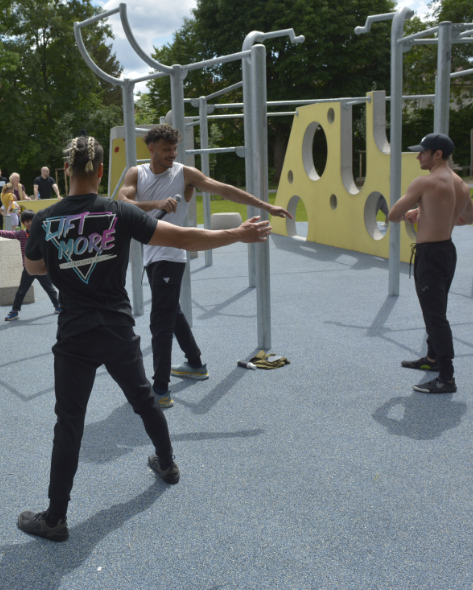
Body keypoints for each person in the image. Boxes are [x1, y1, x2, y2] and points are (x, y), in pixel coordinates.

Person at [16, 135, 273, 541]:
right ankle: (167, 464)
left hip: (75, 336)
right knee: (144, 400)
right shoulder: (119, 212)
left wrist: (64, 256)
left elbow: (33, 268)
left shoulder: (45, 220)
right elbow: (182, 237)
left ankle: (55, 518)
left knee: (69, 423)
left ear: (66, 170)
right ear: (102, 170)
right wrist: (237, 234)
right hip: (117, 329)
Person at [118, 125, 293, 408]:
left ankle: (160, 390)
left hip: (171, 255)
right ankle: (196, 364)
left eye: (175, 149)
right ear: (150, 149)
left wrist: (266, 206)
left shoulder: (184, 174)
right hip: (152, 255)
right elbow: (122, 202)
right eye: (166, 150)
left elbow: (225, 190)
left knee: (160, 322)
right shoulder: (136, 173)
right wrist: (156, 203)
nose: (172, 154)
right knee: (171, 311)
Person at [388, 133, 473, 394]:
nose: (418, 156)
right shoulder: (461, 184)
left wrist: (412, 210)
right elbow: (466, 218)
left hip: (430, 255)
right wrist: (426, 212)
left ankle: (447, 378)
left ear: (438, 154)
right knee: (435, 309)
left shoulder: (425, 182)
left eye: (423, 152)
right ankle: (433, 358)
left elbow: (393, 215)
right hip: (447, 251)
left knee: (435, 315)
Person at [0, 209, 61, 321]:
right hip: (28, 268)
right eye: (26, 221)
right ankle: (15, 311)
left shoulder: (42, 233)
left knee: (50, 288)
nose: (29, 223)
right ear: (23, 223)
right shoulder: (21, 234)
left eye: (31, 220)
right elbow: (10, 234)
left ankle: (58, 306)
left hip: (41, 267)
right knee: (22, 290)